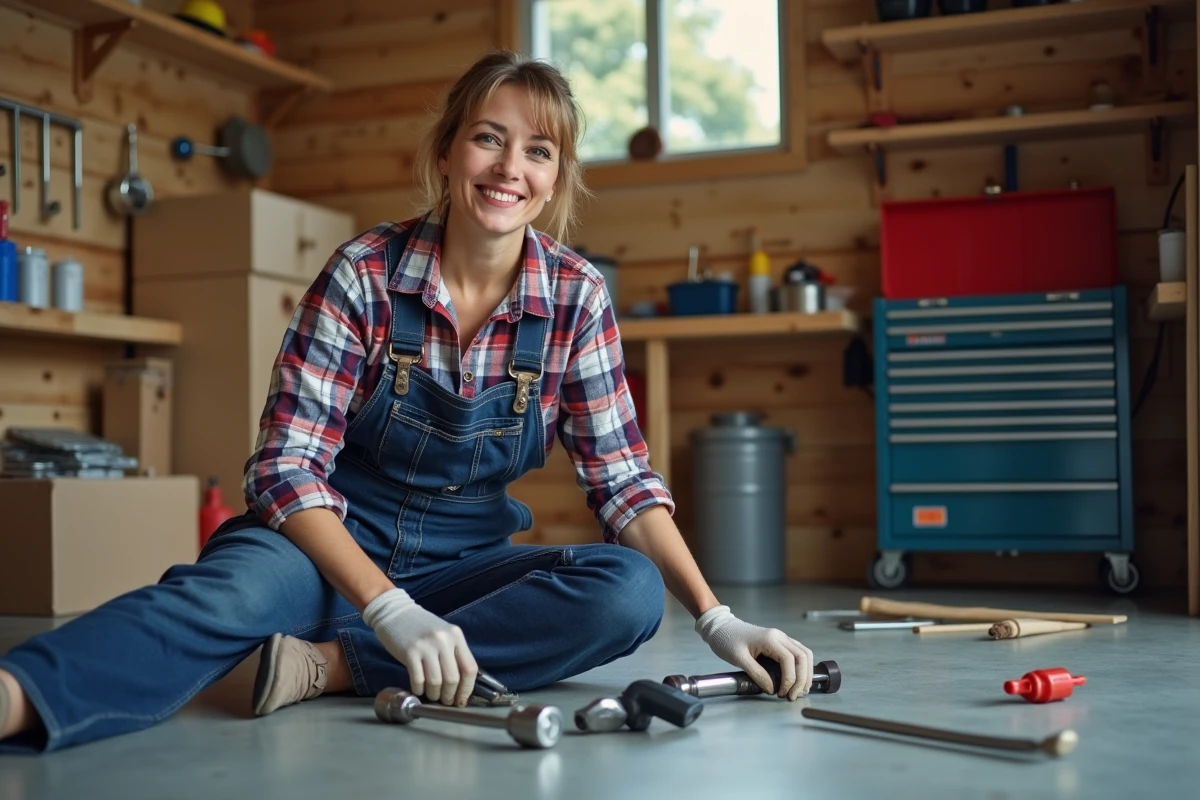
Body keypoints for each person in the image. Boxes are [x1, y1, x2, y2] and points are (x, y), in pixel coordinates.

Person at [0, 50, 814, 754]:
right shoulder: (363, 274)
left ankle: (329, 666)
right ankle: (18, 699)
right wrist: (384, 603)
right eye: (489, 138)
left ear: (556, 177)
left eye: (538, 151)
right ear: (449, 149)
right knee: (227, 598)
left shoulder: (576, 297)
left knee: (626, 592)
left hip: (467, 567)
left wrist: (716, 619)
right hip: (322, 545)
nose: (509, 169)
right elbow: (284, 470)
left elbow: (624, 483)